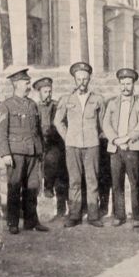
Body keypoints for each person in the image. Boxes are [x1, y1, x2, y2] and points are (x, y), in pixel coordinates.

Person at [54, 62, 107, 228]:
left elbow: (103, 123)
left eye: (85, 79)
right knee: (74, 180)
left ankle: (93, 215)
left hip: (92, 145)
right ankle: (74, 214)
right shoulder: (66, 99)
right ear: (74, 80)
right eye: (79, 79)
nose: (82, 82)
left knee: (92, 180)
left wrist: (97, 136)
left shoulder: (97, 99)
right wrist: (67, 136)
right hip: (73, 146)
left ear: (89, 79)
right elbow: (58, 121)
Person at [0, 66, 48, 234]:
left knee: (33, 188)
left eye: (29, 83)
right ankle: (12, 222)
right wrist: (5, 153)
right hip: (16, 153)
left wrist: (41, 150)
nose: (29, 86)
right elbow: (1, 132)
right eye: (26, 83)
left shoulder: (33, 105)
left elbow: (38, 130)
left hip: (33, 152)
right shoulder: (7, 105)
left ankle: (31, 221)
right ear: (16, 84)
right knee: (14, 187)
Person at [102, 68, 139, 229]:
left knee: (135, 183)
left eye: (128, 84)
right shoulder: (112, 103)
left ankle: (137, 216)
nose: (125, 87)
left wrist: (127, 138)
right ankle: (119, 215)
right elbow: (105, 124)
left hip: (132, 147)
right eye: (122, 84)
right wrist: (115, 139)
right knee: (116, 183)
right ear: (119, 85)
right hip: (115, 148)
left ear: (133, 84)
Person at [32, 77, 69, 218]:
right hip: (39, 145)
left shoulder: (56, 106)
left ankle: (60, 209)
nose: (48, 94)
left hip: (55, 145)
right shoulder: (34, 107)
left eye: (50, 91)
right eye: (45, 92)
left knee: (59, 171)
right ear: (39, 93)